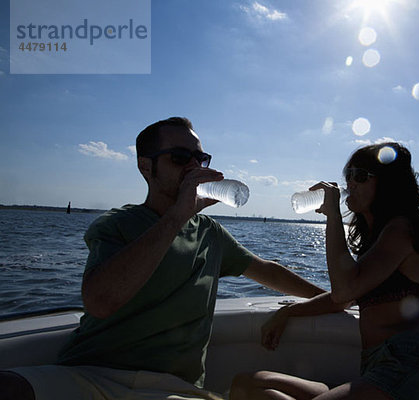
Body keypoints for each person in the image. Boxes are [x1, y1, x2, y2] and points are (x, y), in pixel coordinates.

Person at [0, 117, 330, 400]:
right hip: (92, 376)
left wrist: (333, 298)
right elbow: (99, 302)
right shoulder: (118, 225)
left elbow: (267, 271)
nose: (192, 167)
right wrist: (175, 217)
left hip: (173, 390)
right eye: (179, 157)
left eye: (198, 158)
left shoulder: (210, 233)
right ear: (147, 167)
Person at [230, 142, 419, 400]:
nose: (351, 184)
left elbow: (344, 289)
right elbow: (345, 298)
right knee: (246, 386)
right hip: (378, 369)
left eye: (360, 176)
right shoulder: (378, 240)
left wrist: (333, 216)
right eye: (348, 176)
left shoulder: (401, 230)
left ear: (387, 184)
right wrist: (288, 312)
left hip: (411, 369)